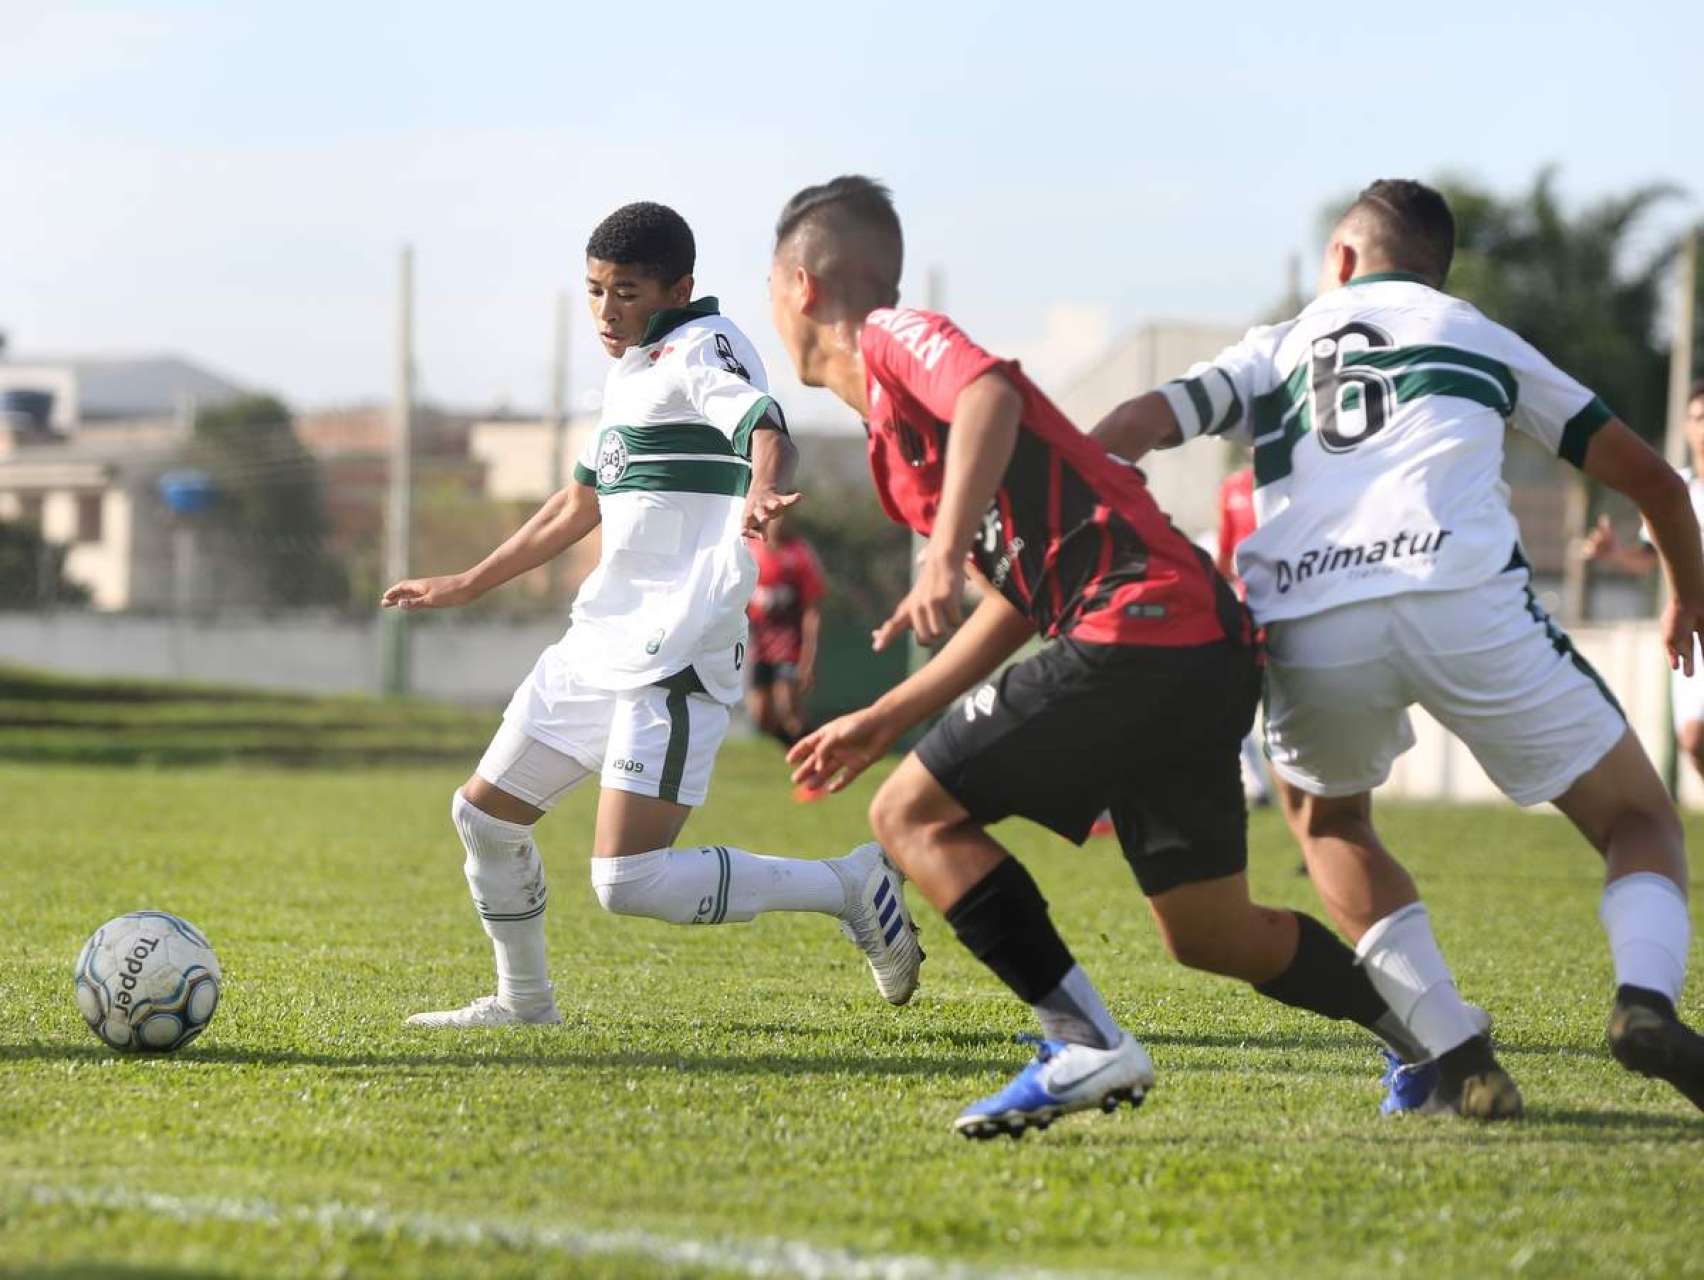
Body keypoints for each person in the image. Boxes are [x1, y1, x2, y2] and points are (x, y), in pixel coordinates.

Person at [768, 175, 1432, 1140]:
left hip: (1142, 624)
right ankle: (1429, 1036)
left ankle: (1080, 1040)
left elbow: (990, 388)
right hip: (1192, 644)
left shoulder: (889, 335)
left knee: (908, 815)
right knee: (1211, 934)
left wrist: (945, 552)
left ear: (797, 286)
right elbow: (1022, 595)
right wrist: (886, 715)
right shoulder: (891, 442)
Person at [1092, 178, 1704, 1116]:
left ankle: (1458, 1056)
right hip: (1461, 593)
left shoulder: (1277, 346)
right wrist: (1686, 601)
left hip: (1309, 614)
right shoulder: (1475, 334)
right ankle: (1644, 1002)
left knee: (1332, 825)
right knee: (1639, 822)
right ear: (1435, 267)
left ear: (1340, 261)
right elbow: (1659, 482)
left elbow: (1132, 429)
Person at [381, 201, 921, 1028]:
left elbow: (760, 422)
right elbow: (577, 504)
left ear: (679, 288)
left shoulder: (705, 344)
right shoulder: (630, 369)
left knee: (628, 883)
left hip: (676, 643)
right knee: (485, 818)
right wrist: (467, 581)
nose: (605, 311)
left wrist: (764, 482)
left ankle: (850, 884)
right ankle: (525, 1004)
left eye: (625, 292)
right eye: (595, 290)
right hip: (598, 640)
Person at [1584, 382, 1704, 782]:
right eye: (1698, 418)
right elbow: (1649, 560)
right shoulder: (1674, 489)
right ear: (1686, 427)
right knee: (1694, 738)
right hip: (1692, 633)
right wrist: (1616, 553)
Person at [1214, 465, 1272, 807]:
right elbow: (1225, 552)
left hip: (1292, 610)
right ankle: (1252, 786)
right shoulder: (1233, 486)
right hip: (1247, 617)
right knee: (1233, 705)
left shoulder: (1296, 470)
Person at [744, 512, 825, 753]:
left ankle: (817, 759)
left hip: (789, 644)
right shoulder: (751, 548)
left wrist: (808, 659)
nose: (779, 521)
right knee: (761, 716)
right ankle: (806, 755)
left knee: (788, 708)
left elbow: (812, 611)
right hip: (757, 644)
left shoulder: (800, 555)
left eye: (784, 517)